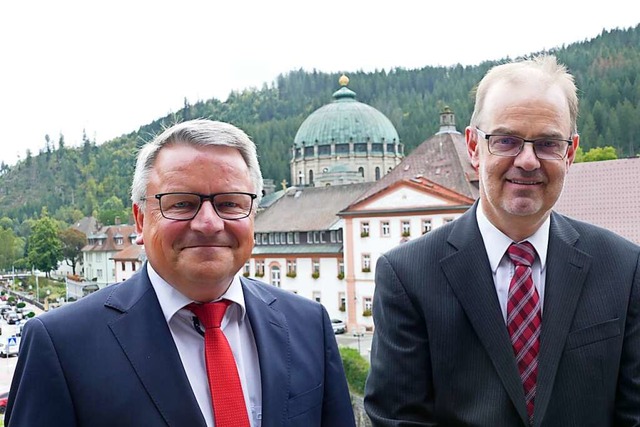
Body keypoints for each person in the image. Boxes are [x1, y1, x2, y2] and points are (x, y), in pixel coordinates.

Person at [6, 119, 356, 427]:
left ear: (253, 213)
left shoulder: (308, 325)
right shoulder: (61, 345)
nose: (208, 223)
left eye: (230, 203)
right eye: (182, 203)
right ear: (141, 220)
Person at [364, 55, 640, 426]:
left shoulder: (624, 268)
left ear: (570, 153)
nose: (527, 160)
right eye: (506, 140)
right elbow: (400, 420)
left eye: (547, 143)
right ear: (474, 147)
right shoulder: (408, 275)